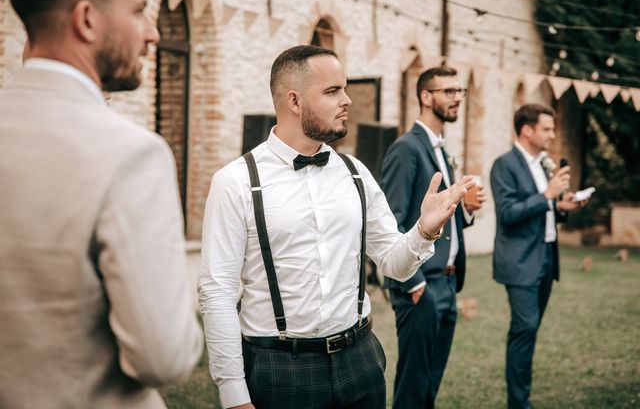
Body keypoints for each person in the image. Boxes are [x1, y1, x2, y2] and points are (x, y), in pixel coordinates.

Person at [198, 45, 475, 409]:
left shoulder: (355, 173)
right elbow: (216, 293)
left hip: (361, 360)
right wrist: (232, 391)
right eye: (332, 91)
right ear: (294, 101)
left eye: (344, 88)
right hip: (280, 367)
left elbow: (393, 262)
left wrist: (424, 229)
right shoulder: (235, 181)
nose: (346, 100)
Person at [0, 0, 203, 408]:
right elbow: (165, 357)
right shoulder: (130, 154)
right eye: (137, 11)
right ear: (87, 20)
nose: (153, 32)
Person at [380, 66, 486, 408]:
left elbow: (437, 216)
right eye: (449, 91)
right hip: (421, 286)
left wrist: (466, 209)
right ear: (426, 97)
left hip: (449, 284)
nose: (457, 98)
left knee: (429, 386)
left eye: (460, 91)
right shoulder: (406, 149)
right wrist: (414, 285)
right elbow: (390, 222)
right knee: (412, 390)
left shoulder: (441, 149)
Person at [490, 103, 586, 409]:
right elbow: (508, 214)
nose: (553, 134)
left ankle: (521, 398)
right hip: (520, 261)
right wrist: (547, 196)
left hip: (546, 256)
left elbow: (539, 210)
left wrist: (560, 206)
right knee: (524, 329)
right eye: (547, 128)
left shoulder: (543, 164)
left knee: (530, 330)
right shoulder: (504, 165)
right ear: (527, 130)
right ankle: (519, 403)